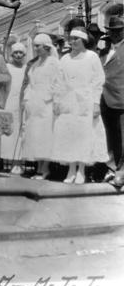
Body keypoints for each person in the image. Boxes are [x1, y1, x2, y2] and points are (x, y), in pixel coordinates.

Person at [52, 27, 108, 184]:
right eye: (71, 38)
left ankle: (82, 170)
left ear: (83, 40)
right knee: (70, 135)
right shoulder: (65, 59)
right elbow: (59, 82)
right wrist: (57, 101)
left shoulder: (92, 57)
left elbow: (98, 80)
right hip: (68, 102)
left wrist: (96, 102)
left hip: (86, 101)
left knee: (84, 135)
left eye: (76, 39)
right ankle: (70, 170)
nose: (73, 41)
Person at [20, 34, 60, 180]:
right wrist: (27, 99)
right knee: (35, 134)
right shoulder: (36, 64)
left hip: (46, 104)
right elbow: (30, 83)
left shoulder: (53, 63)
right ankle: (39, 167)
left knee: (45, 135)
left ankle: (45, 168)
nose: (36, 49)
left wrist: (47, 97)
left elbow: (57, 83)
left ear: (46, 46)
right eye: (35, 46)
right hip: (34, 103)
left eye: (38, 46)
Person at [100, 16, 124, 187]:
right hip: (104, 98)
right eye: (112, 31)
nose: (115, 34)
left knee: (123, 136)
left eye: (118, 31)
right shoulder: (103, 53)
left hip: (122, 98)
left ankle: (121, 172)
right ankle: (111, 167)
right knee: (108, 135)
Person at [0, 42, 27, 174]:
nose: (18, 55)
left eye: (20, 53)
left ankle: (18, 162)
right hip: (9, 102)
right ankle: (8, 162)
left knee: (21, 132)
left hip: (22, 103)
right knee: (10, 132)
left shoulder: (26, 68)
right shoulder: (7, 68)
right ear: (12, 54)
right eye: (15, 53)